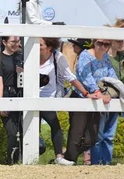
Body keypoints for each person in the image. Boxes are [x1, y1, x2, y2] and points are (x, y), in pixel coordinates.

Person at [64, 39, 124, 164]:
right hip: (81, 97)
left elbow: (113, 78)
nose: (102, 46)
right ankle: (70, 162)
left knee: (91, 139)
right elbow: (85, 76)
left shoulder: (106, 58)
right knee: (76, 134)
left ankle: (67, 157)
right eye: (99, 43)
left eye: (106, 44)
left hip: (96, 100)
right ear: (94, 42)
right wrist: (97, 92)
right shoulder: (85, 55)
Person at [38, 37, 92, 165]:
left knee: (55, 124)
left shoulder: (57, 57)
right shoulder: (29, 55)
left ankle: (58, 156)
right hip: (31, 97)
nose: (36, 47)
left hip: (48, 99)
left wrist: (86, 93)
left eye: (40, 44)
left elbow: (70, 77)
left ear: (49, 47)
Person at [0, 36, 23, 164]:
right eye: (13, 42)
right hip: (7, 94)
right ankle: (10, 162)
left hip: (21, 94)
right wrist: (0, 104)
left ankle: (22, 162)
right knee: (12, 133)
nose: (16, 44)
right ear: (4, 42)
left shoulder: (21, 57)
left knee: (23, 132)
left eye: (18, 41)